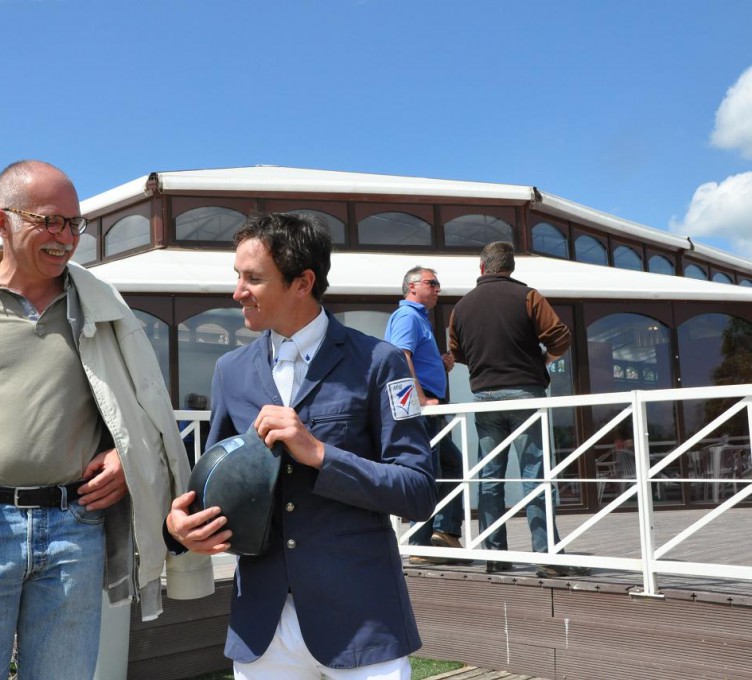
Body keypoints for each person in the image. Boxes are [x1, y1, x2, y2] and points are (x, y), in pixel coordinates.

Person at [0, 160, 212, 680]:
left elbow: (141, 410)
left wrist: (126, 456)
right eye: (49, 221)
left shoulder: (100, 302)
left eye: (75, 224)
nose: (66, 237)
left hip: (74, 530)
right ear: (1, 222)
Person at [166, 212, 436, 680]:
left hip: (362, 619)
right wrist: (180, 528)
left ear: (302, 282)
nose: (237, 292)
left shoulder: (381, 363)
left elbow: (417, 490)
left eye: (253, 278)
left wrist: (319, 454)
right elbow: (214, 483)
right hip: (261, 627)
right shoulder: (230, 370)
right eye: (238, 277)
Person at [447, 241, 589, 578]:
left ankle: (495, 556)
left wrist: (484, 365)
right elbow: (560, 337)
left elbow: (457, 351)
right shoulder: (528, 296)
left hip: (484, 397)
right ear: (510, 268)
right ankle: (546, 555)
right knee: (534, 475)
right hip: (525, 393)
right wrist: (540, 362)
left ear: (482, 268)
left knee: (490, 478)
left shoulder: (462, 307)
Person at [384, 266, 469, 565]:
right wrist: (420, 400)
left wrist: (440, 364)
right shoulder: (408, 316)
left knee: (449, 464)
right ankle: (422, 543)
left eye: (437, 284)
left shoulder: (418, 318)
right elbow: (400, 357)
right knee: (430, 470)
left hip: (430, 407)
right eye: (432, 283)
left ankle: (443, 534)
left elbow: (413, 357)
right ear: (412, 287)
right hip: (422, 409)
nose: (438, 289)